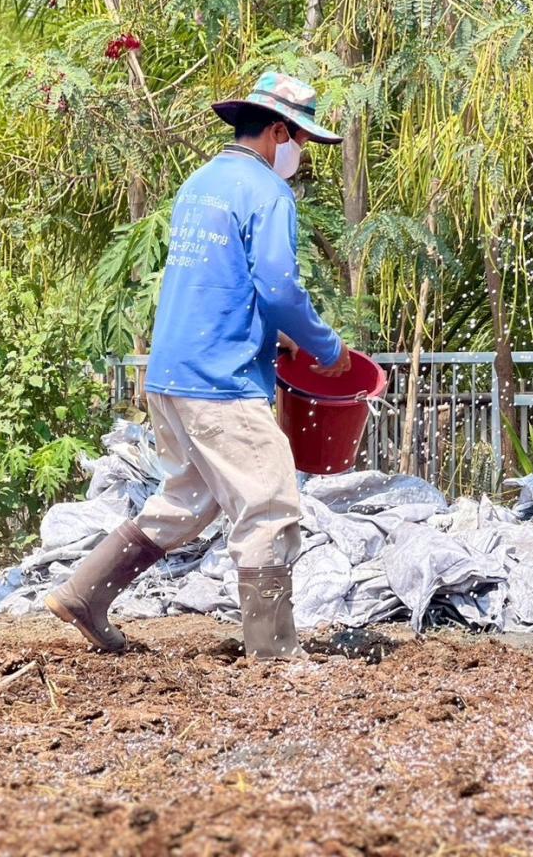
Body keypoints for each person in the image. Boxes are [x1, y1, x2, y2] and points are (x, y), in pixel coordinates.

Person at [47, 71, 352, 659]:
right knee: (269, 502)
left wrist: (274, 340)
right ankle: (274, 654)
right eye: (302, 140)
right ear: (279, 132)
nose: (302, 154)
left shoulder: (201, 184)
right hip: (221, 382)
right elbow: (279, 286)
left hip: (172, 374)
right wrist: (324, 346)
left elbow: (217, 285)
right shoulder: (267, 192)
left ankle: (84, 594)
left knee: (188, 499)